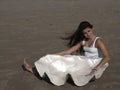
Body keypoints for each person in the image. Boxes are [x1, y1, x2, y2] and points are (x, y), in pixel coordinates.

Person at [23, 21, 110, 86]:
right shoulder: (83, 41)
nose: (88, 34)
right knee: (64, 59)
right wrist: (51, 55)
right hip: (85, 61)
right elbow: (68, 52)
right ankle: (34, 70)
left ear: (92, 29)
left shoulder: (98, 41)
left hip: (95, 63)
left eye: (89, 31)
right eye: (85, 33)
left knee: (78, 73)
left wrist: (96, 68)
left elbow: (107, 57)